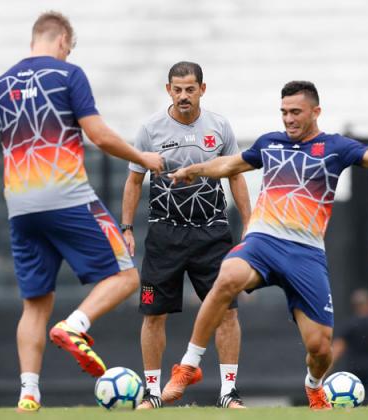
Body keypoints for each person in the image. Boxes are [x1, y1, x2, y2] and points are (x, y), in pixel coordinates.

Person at [159, 80, 368, 410]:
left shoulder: (336, 148)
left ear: (315, 112)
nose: (288, 119)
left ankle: (314, 384)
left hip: (305, 254)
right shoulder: (270, 143)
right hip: (263, 241)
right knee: (227, 277)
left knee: (321, 348)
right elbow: (229, 164)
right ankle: (189, 366)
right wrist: (196, 170)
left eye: (296, 112)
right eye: (284, 113)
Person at [0, 11, 163, 413]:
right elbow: (98, 134)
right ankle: (75, 325)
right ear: (62, 39)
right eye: (69, 48)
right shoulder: (68, 76)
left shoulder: (0, 85)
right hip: (67, 198)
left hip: (21, 209)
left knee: (35, 303)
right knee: (126, 275)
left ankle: (29, 392)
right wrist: (142, 157)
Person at [121, 61, 251, 409]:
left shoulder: (219, 126)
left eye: (189, 89)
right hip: (165, 235)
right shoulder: (150, 129)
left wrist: (249, 225)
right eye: (177, 89)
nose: (183, 96)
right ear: (168, 91)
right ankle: (152, 392)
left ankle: (228, 392)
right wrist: (127, 227)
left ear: (202, 90)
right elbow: (134, 180)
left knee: (227, 312)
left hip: (213, 233)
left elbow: (236, 175)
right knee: (153, 314)